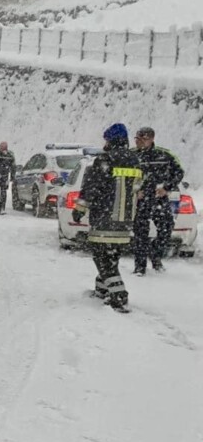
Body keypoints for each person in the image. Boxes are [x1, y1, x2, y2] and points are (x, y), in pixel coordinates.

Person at [73, 123, 143, 311]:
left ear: (111, 140)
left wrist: (80, 209)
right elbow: (138, 189)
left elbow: (91, 189)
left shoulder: (104, 160)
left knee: (101, 257)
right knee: (112, 256)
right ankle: (101, 290)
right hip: (126, 219)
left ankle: (119, 295)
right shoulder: (135, 160)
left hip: (105, 217)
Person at [132, 126, 185, 275]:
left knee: (166, 229)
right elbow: (122, 177)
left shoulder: (164, 155)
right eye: (137, 139)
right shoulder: (131, 156)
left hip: (158, 199)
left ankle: (155, 254)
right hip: (140, 201)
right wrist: (135, 191)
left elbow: (179, 172)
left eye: (143, 139)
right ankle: (140, 267)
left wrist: (166, 188)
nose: (139, 142)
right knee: (140, 234)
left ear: (151, 139)